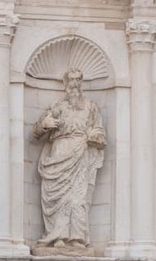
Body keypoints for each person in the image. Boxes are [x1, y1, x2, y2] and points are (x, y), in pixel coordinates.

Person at [32, 69, 106, 249]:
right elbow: (36, 131)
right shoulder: (56, 107)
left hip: (81, 153)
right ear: (65, 83)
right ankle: (58, 236)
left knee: (78, 197)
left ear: (81, 82)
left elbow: (100, 132)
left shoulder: (91, 107)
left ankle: (77, 237)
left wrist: (93, 135)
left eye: (77, 79)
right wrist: (45, 125)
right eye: (71, 80)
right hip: (59, 152)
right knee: (58, 198)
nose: (74, 83)